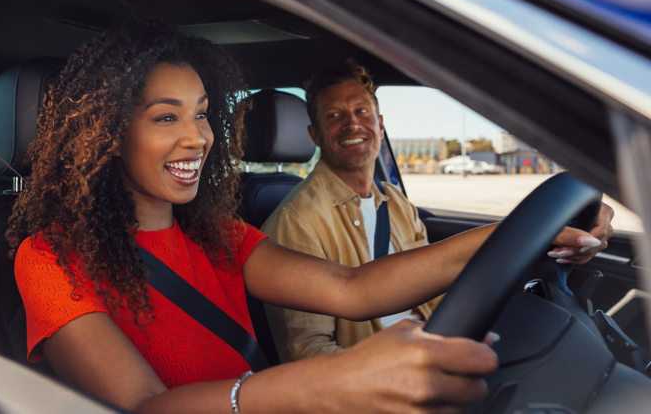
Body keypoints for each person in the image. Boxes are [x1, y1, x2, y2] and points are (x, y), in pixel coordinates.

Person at [9, 20, 610, 413]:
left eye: (202, 114)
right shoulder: (51, 257)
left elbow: (351, 289)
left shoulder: (215, 233)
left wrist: (514, 236)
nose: (200, 138)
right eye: (167, 117)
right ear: (109, 134)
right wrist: (328, 382)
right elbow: (142, 408)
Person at [263, 59, 614, 362]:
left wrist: (562, 245)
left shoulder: (395, 203)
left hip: (441, 341)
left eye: (361, 112)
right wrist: (385, 380)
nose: (352, 125)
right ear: (315, 134)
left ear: (380, 125)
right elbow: (306, 351)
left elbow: (439, 287)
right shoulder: (296, 221)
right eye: (334, 116)